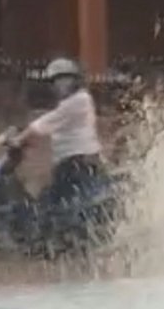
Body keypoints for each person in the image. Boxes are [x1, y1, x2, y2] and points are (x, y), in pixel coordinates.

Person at [12, 57, 106, 206]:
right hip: (72, 162)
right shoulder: (72, 101)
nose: (59, 85)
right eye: (55, 81)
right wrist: (28, 138)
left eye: (64, 80)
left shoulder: (79, 100)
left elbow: (44, 123)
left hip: (77, 163)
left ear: (74, 80)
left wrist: (19, 139)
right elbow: (52, 126)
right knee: (48, 198)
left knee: (50, 203)